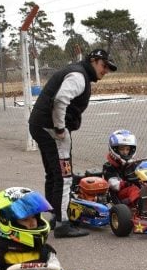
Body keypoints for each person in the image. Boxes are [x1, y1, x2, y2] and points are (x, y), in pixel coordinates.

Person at [28, 48, 117, 238]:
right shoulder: (79, 76)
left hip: (40, 125)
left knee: (53, 173)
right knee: (64, 176)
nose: (105, 70)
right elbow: (60, 99)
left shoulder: (78, 72)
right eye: (104, 66)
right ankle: (62, 223)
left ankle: (54, 216)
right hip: (51, 129)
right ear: (93, 60)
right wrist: (60, 128)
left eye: (108, 68)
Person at [102, 129, 147, 212]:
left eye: (127, 149)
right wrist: (126, 183)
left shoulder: (133, 163)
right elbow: (114, 185)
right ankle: (143, 209)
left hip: (136, 191)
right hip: (119, 196)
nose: (125, 152)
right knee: (133, 189)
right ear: (114, 149)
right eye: (122, 149)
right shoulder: (109, 166)